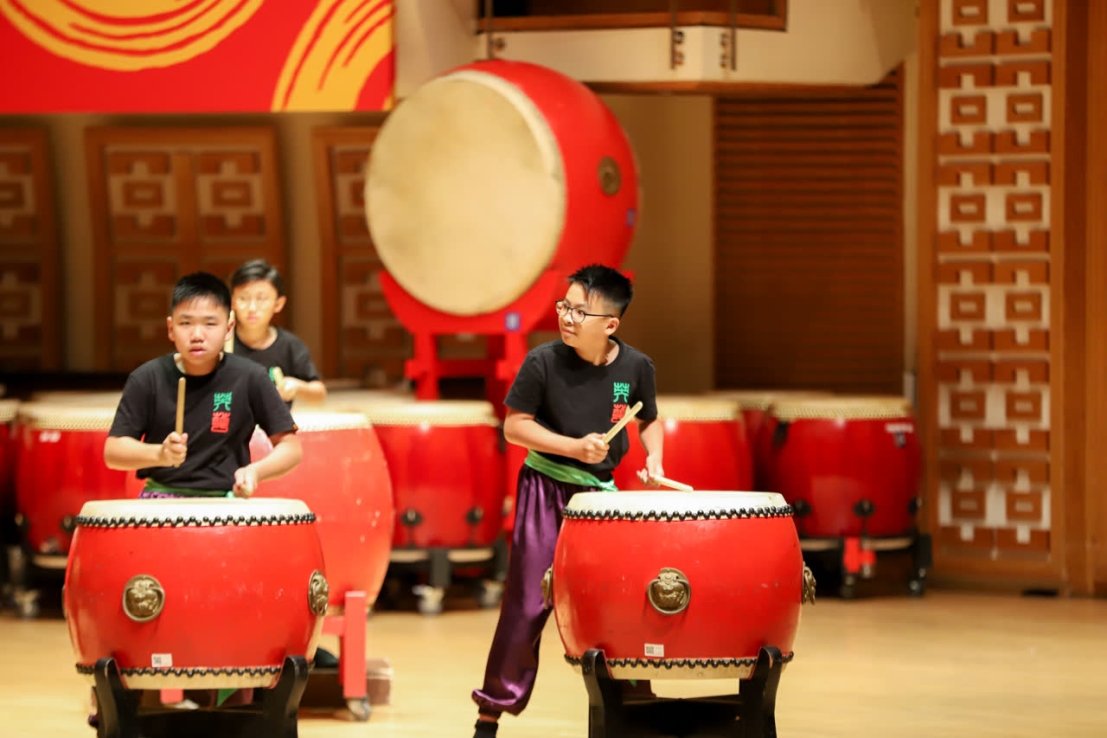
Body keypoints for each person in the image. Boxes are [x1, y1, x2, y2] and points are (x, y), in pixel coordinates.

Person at [97, 271, 302, 721]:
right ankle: (133, 696)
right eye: (187, 323)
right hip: (161, 506)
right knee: (139, 602)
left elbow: (291, 447)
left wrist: (255, 471)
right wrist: (158, 453)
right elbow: (114, 451)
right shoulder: (147, 378)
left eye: (209, 323)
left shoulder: (249, 378)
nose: (197, 334)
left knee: (238, 609)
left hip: (226, 510)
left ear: (228, 328)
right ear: (170, 327)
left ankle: (236, 704)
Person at [471, 264, 665, 737]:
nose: (567, 318)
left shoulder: (636, 367)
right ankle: (490, 714)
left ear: (610, 324)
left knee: (619, 601)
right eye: (565, 307)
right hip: (546, 487)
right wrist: (574, 447)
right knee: (527, 602)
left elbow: (648, 418)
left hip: (600, 500)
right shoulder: (542, 362)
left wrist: (656, 458)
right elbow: (515, 426)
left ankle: (633, 705)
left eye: (580, 311)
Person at [228, 259, 327, 407]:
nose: (252, 307)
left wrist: (297, 387)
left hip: (274, 421)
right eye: (244, 298)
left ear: (278, 304)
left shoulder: (290, 345)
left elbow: (319, 393)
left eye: (261, 299)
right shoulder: (219, 342)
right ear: (232, 302)